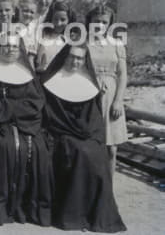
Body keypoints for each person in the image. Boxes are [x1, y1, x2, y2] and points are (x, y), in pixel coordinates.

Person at [0, 33, 52, 227]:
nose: (10, 49)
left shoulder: (28, 74)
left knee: (39, 149)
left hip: (23, 125)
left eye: (14, 46)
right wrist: (13, 110)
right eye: (5, 46)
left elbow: (35, 103)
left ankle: (24, 206)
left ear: (20, 49)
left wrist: (8, 109)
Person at [41, 44, 127, 232]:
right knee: (79, 152)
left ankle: (91, 214)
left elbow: (94, 118)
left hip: (84, 133)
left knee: (96, 153)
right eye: (72, 57)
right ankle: (72, 215)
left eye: (80, 58)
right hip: (59, 133)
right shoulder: (51, 81)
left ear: (84, 61)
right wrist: (72, 131)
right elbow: (50, 115)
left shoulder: (89, 83)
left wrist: (87, 134)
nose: (75, 61)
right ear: (65, 57)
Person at [86, 5, 128, 175]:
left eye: (104, 22)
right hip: (88, 96)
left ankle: (108, 191)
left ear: (110, 23)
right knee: (90, 147)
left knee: (111, 149)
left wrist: (118, 100)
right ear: (90, 22)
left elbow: (123, 75)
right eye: (96, 21)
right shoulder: (84, 43)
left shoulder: (117, 44)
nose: (100, 25)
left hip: (110, 97)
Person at [36, 1, 76, 72]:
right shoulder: (43, 33)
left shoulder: (71, 39)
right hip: (39, 74)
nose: (58, 23)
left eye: (63, 20)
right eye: (55, 19)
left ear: (69, 20)